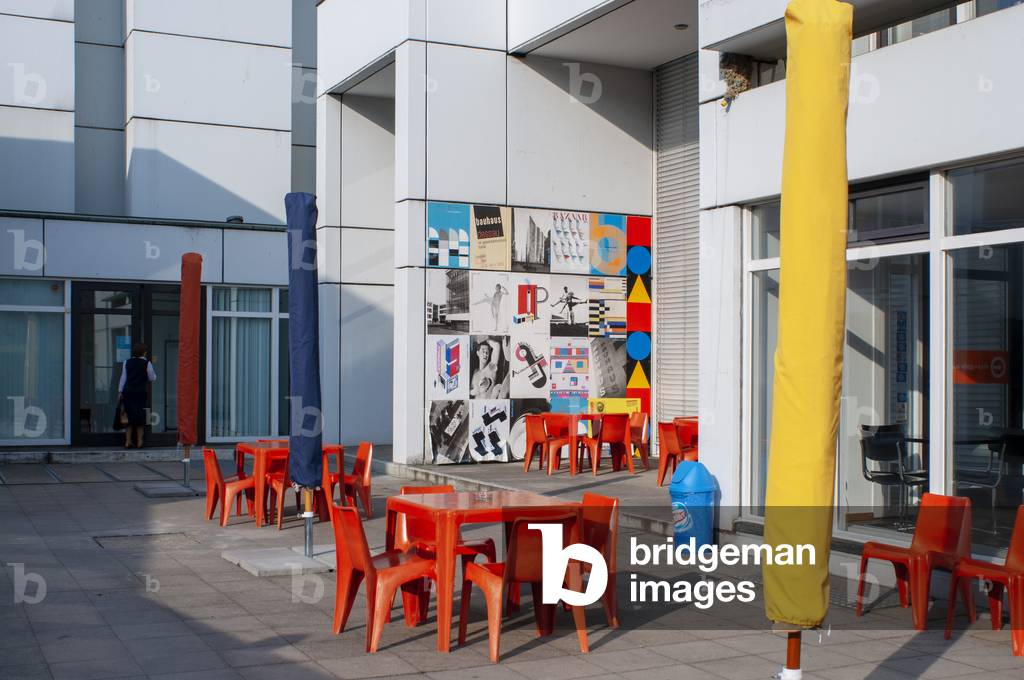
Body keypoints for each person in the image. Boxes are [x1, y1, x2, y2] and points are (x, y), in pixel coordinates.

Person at [118, 342, 156, 448]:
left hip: (128, 392)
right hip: (140, 393)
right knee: (140, 417)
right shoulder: (147, 363)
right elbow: (152, 377)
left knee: (128, 418)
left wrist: (120, 391)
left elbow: (123, 378)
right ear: (143, 352)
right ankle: (140, 442)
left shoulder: (127, 362)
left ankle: (128, 441)